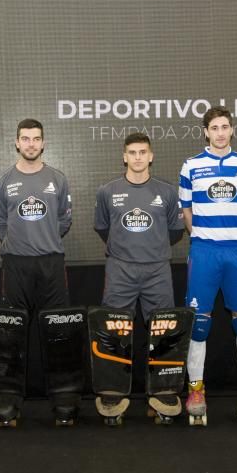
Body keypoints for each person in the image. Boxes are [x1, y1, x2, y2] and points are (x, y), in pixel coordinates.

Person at [179, 106, 237, 426]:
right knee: (199, 322)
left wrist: (234, 234)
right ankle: (196, 388)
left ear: (232, 130)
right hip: (204, 250)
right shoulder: (192, 165)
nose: (221, 132)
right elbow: (187, 210)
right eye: (215, 127)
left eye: (225, 126)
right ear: (206, 132)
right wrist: (203, 236)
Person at [94, 132, 184, 415]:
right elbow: (103, 228)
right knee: (115, 330)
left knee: (163, 331)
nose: (137, 157)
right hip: (121, 268)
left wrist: (150, 250)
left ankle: (163, 392)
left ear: (151, 155)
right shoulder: (107, 191)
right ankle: (112, 392)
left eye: (142, 152)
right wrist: (128, 251)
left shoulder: (167, 192)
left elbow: (174, 231)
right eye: (132, 152)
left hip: (157, 269)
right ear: (124, 156)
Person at [0, 118, 75, 423]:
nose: (30, 144)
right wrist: (17, 242)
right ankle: (9, 402)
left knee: (58, 331)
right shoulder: (4, 181)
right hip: (16, 265)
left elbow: (64, 220)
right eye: (25, 138)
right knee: (11, 334)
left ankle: (63, 399)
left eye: (36, 139)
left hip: (51, 264)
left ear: (43, 143)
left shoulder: (58, 179)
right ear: (16, 142)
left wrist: (45, 239)